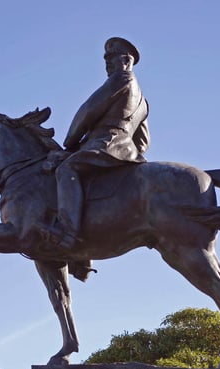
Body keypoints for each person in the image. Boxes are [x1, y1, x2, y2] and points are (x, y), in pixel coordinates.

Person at [50, 36, 151, 250]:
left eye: (112, 59)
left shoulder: (120, 79)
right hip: (127, 153)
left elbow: (88, 110)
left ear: (126, 61)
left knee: (66, 169)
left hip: (106, 145)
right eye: (106, 59)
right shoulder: (143, 100)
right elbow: (143, 142)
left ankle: (68, 234)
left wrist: (70, 143)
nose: (108, 64)